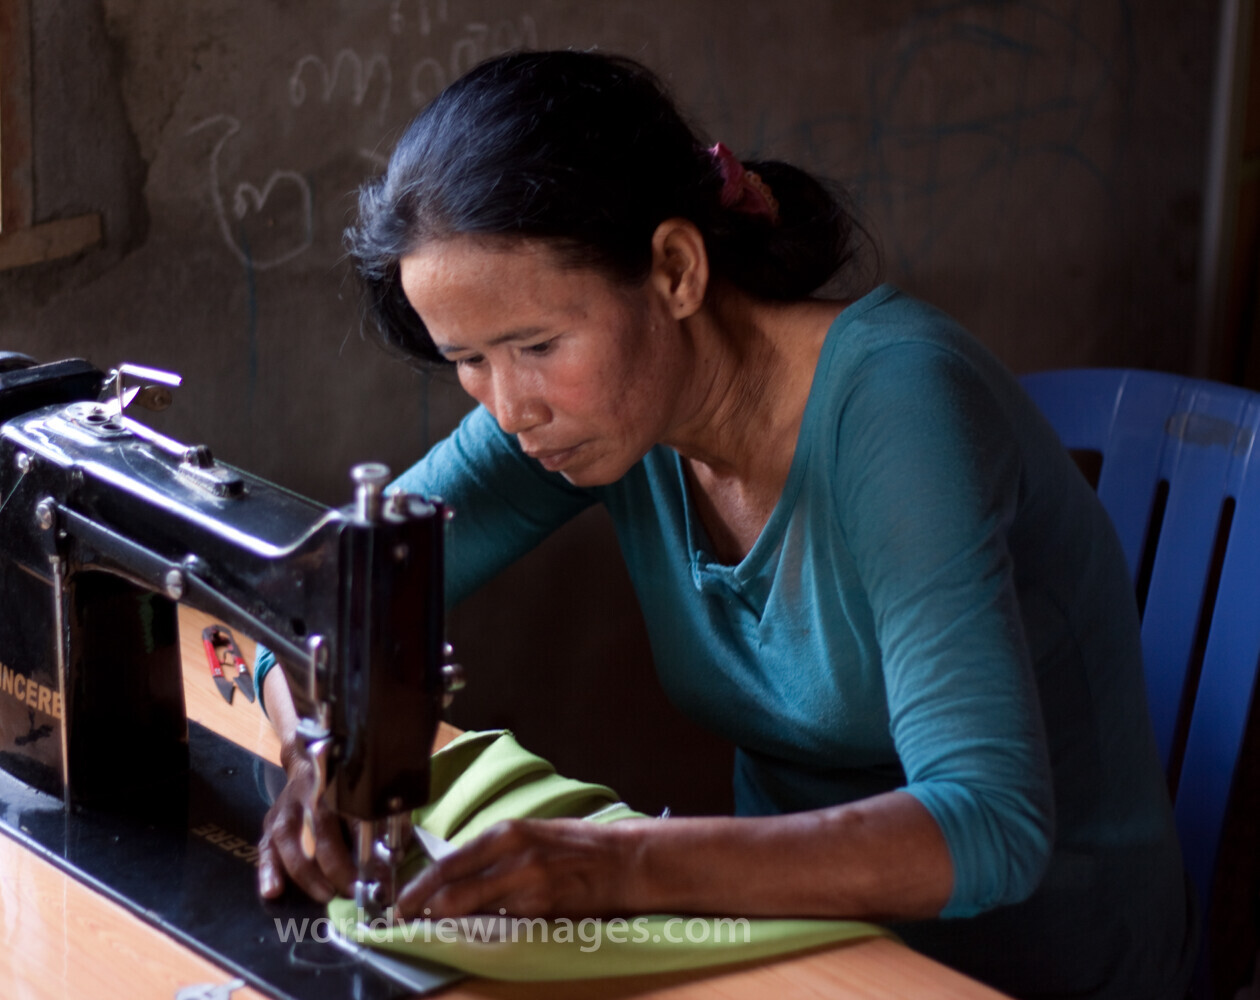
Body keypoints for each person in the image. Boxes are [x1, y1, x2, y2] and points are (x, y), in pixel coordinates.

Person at [254, 50, 1196, 999]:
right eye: (467, 360)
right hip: (787, 947)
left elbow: (990, 827)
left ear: (674, 270)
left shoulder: (898, 411)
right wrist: (313, 743)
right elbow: (310, 595)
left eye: (537, 347)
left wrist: (617, 868)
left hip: (1017, 969)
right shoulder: (592, 413)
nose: (507, 408)